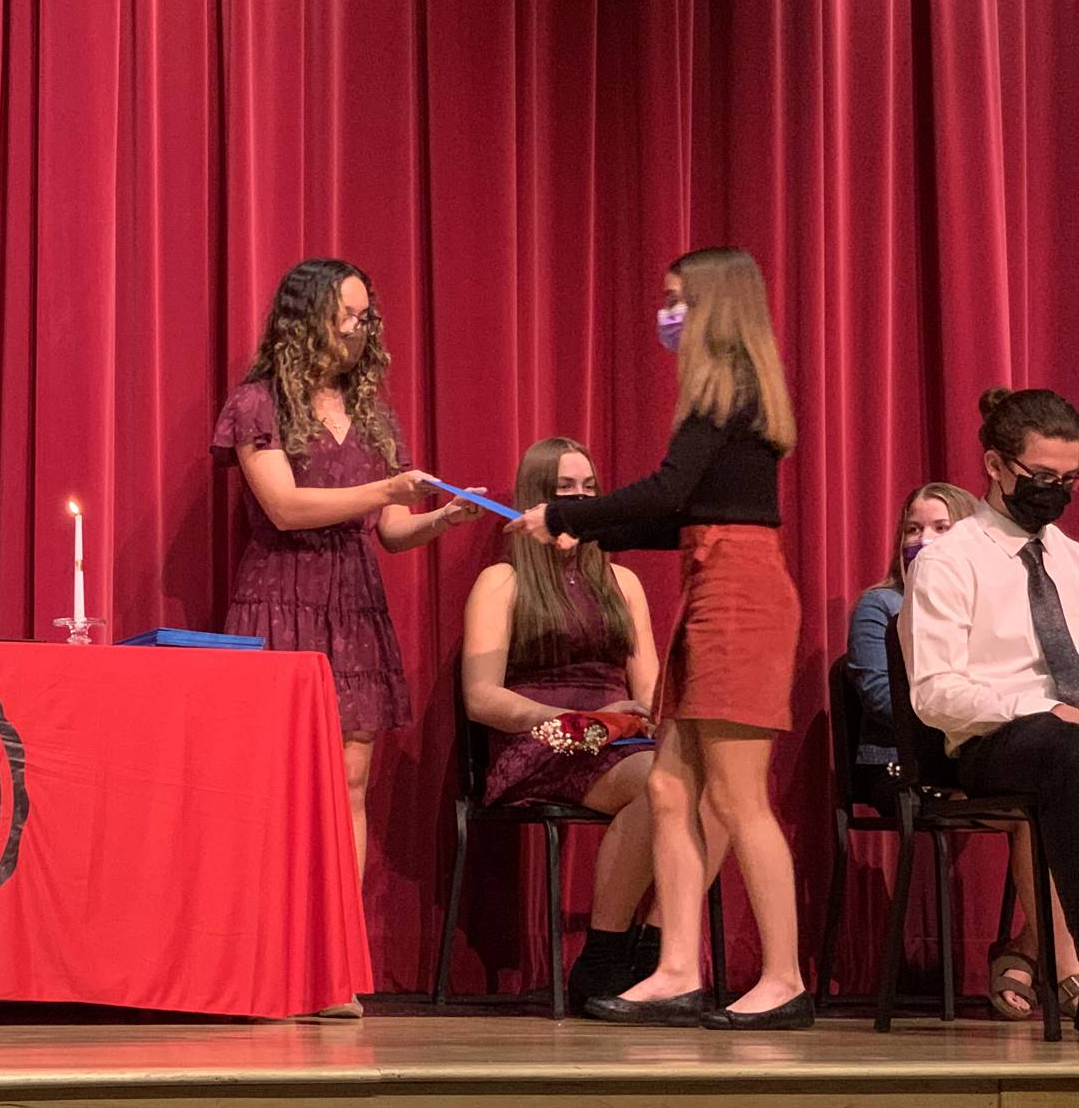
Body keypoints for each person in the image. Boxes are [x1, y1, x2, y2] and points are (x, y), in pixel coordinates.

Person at [511, 246, 808, 1029]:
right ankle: (677, 967)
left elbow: (670, 490)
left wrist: (569, 515)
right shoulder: (729, 402)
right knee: (671, 788)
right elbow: (687, 515)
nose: (666, 314)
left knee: (738, 798)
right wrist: (592, 538)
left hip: (740, 598)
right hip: (712, 584)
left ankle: (784, 978)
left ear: (713, 305)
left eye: (677, 299)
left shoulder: (725, 397)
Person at [214, 258, 481, 893]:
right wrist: (387, 486)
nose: (359, 330)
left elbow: (389, 530)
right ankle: (272, 949)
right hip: (282, 594)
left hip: (353, 600)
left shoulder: (371, 414)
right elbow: (284, 508)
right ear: (306, 320)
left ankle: (338, 957)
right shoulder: (260, 403)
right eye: (346, 316)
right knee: (276, 780)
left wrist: (442, 518)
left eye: (365, 317)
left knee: (350, 780)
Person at [463, 435, 713, 1009]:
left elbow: (650, 690)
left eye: (588, 489)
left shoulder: (623, 583)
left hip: (619, 738)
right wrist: (578, 718)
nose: (578, 500)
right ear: (534, 503)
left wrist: (663, 722)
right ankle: (602, 958)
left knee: (715, 784)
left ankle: (655, 948)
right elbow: (481, 697)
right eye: (563, 491)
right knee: (661, 783)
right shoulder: (501, 583)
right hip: (541, 739)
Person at [903, 387, 1079, 1032]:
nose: (1056, 491)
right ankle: (1070, 961)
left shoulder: (1071, 558)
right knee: (1068, 751)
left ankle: (1037, 951)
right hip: (990, 742)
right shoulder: (950, 561)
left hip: (1065, 735)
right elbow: (936, 692)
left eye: (1070, 479)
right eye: (1042, 477)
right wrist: (1042, 705)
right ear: (996, 465)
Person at [847, 483, 977, 819]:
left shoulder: (984, 610)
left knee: (1043, 797)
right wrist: (965, 720)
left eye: (941, 528)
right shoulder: (881, 605)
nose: (924, 540)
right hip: (898, 763)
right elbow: (880, 696)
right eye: (913, 529)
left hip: (968, 757)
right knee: (1022, 809)